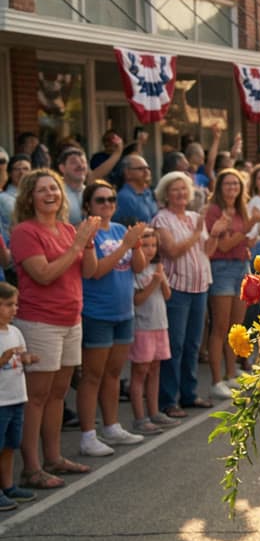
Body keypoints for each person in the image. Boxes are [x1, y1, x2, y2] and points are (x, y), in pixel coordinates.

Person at [11, 170, 100, 488]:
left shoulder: (67, 229)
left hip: (71, 319)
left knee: (58, 394)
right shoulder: (24, 232)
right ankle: (31, 468)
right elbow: (44, 274)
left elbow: (89, 272)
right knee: (36, 396)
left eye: (54, 188)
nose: (50, 194)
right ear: (29, 197)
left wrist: (88, 243)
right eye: (42, 190)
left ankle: (53, 458)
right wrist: (77, 244)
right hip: (40, 322)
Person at [74, 181, 147, 456]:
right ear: (88, 205)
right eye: (100, 200)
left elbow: (138, 267)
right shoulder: (86, 232)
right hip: (97, 312)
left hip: (124, 311)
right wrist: (125, 245)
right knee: (92, 375)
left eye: (111, 199)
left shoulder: (118, 229)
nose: (107, 204)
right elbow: (94, 272)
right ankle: (87, 435)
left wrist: (135, 245)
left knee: (114, 373)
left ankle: (111, 426)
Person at [153, 172, 219, 418]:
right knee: (175, 345)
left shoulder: (193, 217)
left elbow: (208, 251)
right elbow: (171, 251)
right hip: (177, 288)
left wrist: (214, 234)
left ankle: (189, 393)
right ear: (166, 194)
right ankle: (168, 399)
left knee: (192, 344)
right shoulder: (161, 219)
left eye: (184, 188)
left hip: (199, 286)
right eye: (175, 189)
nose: (181, 193)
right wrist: (196, 233)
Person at [204, 169, 252, 400]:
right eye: (228, 184)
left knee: (236, 326)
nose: (232, 187)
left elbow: (240, 239)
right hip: (221, 268)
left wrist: (246, 239)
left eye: (236, 183)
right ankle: (216, 380)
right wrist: (248, 228)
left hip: (241, 266)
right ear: (220, 187)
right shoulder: (214, 210)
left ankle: (231, 372)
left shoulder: (242, 209)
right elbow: (222, 246)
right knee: (220, 327)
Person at [129, 229, 176, 436]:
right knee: (140, 371)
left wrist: (162, 280)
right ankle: (140, 418)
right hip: (143, 326)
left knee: (155, 369)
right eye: (145, 246)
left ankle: (154, 411)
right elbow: (137, 300)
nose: (150, 250)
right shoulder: (137, 270)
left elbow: (167, 295)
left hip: (160, 324)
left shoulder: (157, 266)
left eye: (153, 246)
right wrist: (154, 283)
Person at [0, 282, 39, 510]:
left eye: (15, 305)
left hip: (16, 398)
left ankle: (8, 485)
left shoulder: (15, 332)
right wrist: (3, 359)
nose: (14, 309)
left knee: (9, 445)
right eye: (7, 305)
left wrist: (28, 358)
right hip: (1, 401)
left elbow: (22, 356)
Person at [114, 154, 158, 228]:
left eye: (148, 168)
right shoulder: (124, 198)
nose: (146, 171)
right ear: (127, 172)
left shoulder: (149, 193)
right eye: (140, 168)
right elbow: (124, 229)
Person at [0, 154, 32, 245]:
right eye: (17, 169)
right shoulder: (3, 198)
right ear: (10, 173)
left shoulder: (38, 194)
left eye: (26, 169)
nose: (21, 172)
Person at [55, 147, 88, 226]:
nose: (80, 165)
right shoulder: (55, 194)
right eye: (74, 162)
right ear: (62, 168)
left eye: (83, 162)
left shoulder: (92, 192)